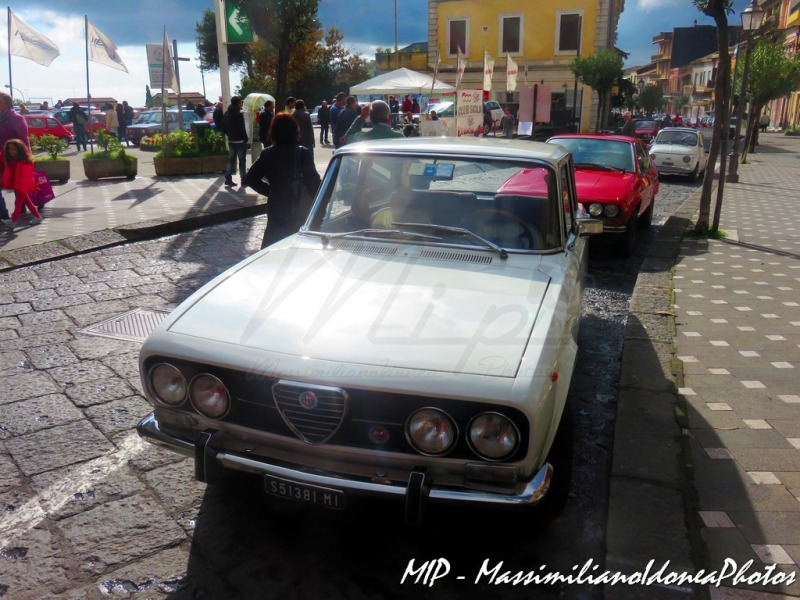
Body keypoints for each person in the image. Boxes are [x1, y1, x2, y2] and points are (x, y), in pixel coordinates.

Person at [246, 113, 321, 249]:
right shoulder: (302, 153)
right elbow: (314, 182)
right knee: (299, 247)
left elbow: (251, 178)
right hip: (298, 206)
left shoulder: (267, 153)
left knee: (274, 247)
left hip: (277, 207)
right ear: (295, 130)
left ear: (273, 131)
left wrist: (270, 191)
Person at [0, 93, 30, 226]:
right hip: (3, 157)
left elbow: (24, 140)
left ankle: (22, 210)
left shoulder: (15, 118)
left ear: (6, 102)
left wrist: (26, 158)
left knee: (19, 185)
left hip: (16, 157)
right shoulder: (1, 118)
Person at [1, 139, 41, 228]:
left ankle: (13, 220)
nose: (11, 151)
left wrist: (22, 186)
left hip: (23, 185)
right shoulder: (13, 160)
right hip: (19, 185)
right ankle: (37, 216)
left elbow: (26, 176)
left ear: (20, 150)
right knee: (27, 201)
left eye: (14, 149)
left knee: (18, 203)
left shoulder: (25, 161)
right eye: (9, 149)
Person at [223, 96, 247, 187]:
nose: (241, 104)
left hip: (231, 140)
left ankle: (228, 178)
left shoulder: (226, 114)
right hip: (240, 141)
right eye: (241, 102)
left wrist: (229, 135)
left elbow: (223, 127)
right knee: (242, 161)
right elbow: (242, 128)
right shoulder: (238, 114)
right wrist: (245, 138)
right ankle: (243, 179)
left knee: (231, 160)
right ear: (238, 103)